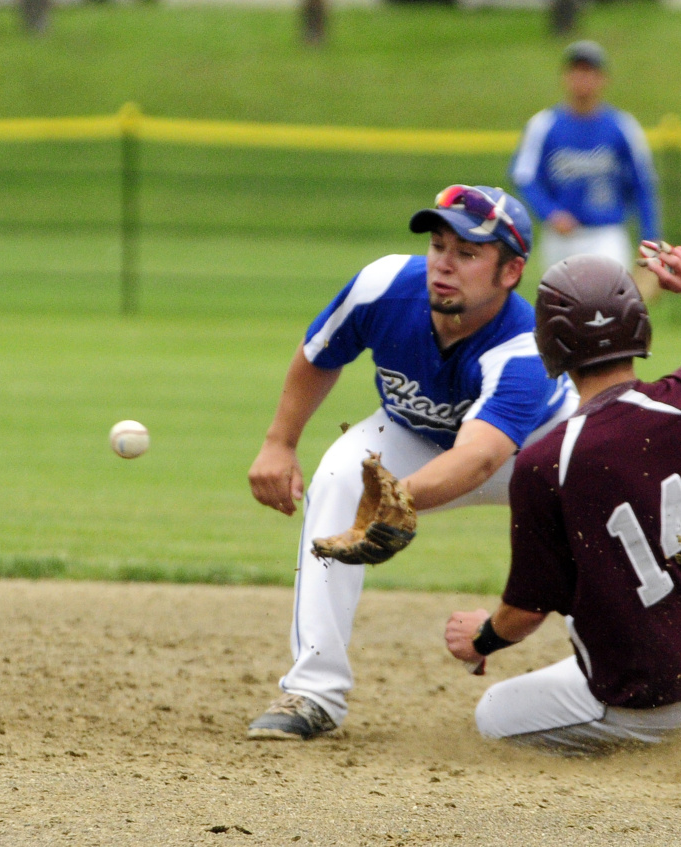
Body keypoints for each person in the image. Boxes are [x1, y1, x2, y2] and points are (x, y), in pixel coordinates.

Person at [246, 185, 578, 741]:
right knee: (337, 481)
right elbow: (317, 355)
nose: (444, 265)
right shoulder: (383, 286)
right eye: (438, 245)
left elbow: (477, 459)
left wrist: (393, 502)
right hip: (415, 433)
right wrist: (280, 442)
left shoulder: (525, 348)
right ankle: (314, 692)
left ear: (511, 272)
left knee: (595, 544)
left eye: (468, 254)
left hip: (537, 458)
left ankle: (640, 676)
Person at [444, 244, 681, 754]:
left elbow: (525, 612)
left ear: (551, 345)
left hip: (650, 704)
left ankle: (660, 740)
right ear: (639, 327)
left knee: (494, 714)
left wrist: (481, 639)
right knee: (676, 600)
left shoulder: (547, 462)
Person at [509, 41, 661, 289]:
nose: (583, 79)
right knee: (560, 310)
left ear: (603, 79)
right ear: (565, 77)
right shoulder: (544, 125)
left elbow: (642, 185)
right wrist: (550, 212)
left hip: (606, 234)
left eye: (590, 72)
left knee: (607, 307)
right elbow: (523, 177)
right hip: (560, 237)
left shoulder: (622, 126)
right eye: (577, 71)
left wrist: (650, 243)